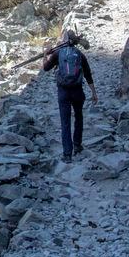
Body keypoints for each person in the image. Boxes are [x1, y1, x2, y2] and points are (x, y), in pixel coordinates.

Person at [42, 29, 97, 162]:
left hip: (63, 91)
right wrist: (94, 92)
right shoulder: (79, 54)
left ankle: (67, 154)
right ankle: (77, 145)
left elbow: (45, 68)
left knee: (65, 122)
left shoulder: (58, 53)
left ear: (64, 40)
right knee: (79, 117)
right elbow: (88, 75)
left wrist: (45, 54)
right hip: (77, 91)